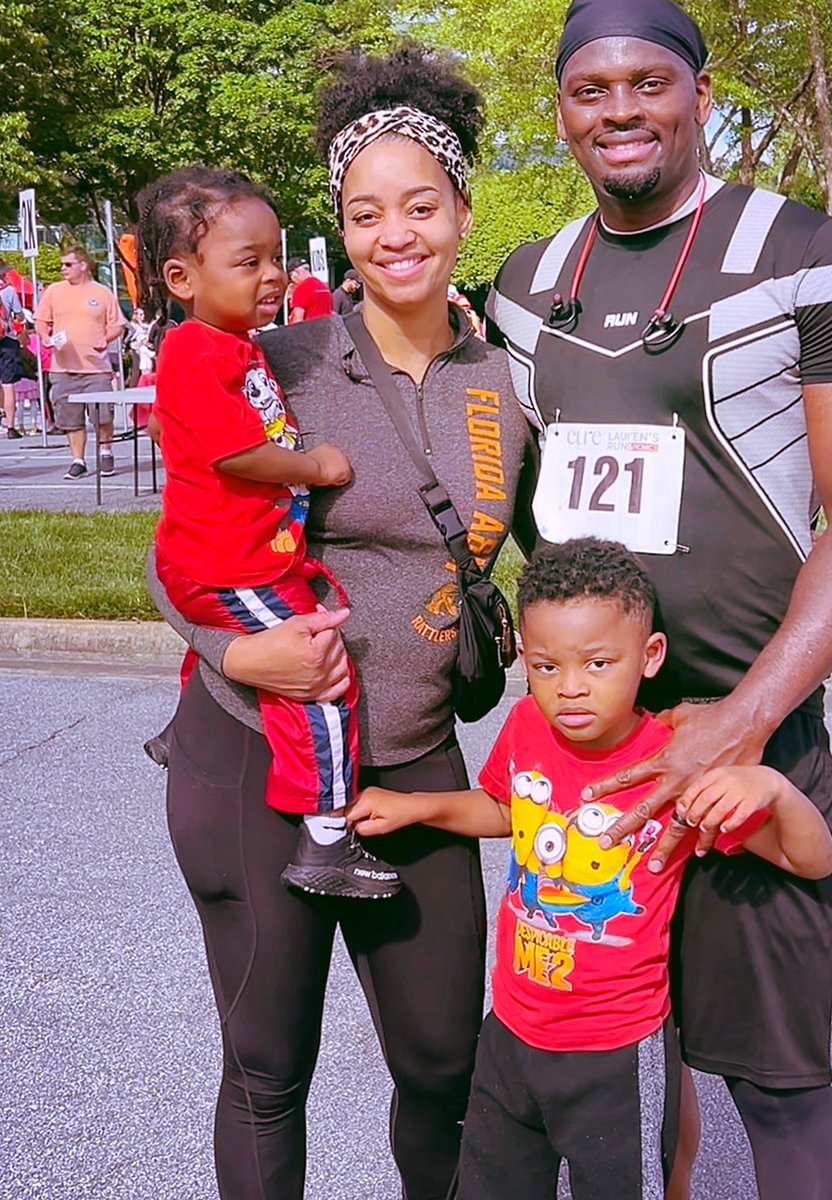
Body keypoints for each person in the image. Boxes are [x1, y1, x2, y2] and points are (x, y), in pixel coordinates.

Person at [487, 2, 832, 1198]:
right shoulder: (528, 280)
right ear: (562, 111)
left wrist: (747, 720)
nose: (621, 110)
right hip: (588, 750)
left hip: (737, 741)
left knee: (777, 1085)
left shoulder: (815, 255)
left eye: (649, 83)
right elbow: (496, 493)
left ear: (702, 92)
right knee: (618, 1071)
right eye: (591, 89)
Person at [145, 45, 533, 1200]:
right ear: (343, 232)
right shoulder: (276, 362)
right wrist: (232, 646)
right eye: (365, 213)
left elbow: (576, 566)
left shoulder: (506, 384)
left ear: (462, 210)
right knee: (270, 1071)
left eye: (421, 204)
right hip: (258, 753)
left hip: (416, 766)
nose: (395, 233)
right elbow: (173, 553)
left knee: (444, 1066)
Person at [349, 537, 832, 1200]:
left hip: (615, 1057)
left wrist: (775, 790)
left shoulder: (675, 763)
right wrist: (416, 806)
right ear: (524, 656)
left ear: (649, 656)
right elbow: (505, 807)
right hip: (511, 1035)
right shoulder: (525, 726)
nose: (570, 688)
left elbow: (809, 858)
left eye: (599, 663)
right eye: (546, 667)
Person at [137, 165, 401, 900]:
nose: (274, 276)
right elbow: (234, 452)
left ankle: (179, 733)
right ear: (181, 277)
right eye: (248, 262)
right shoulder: (197, 348)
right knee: (320, 675)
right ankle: (326, 835)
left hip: (229, 548)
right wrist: (313, 465)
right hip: (235, 563)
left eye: (277, 257)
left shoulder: (231, 344)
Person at [34, 246, 125, 479]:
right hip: (62, 367)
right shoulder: (54, 291)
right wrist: (45, 337)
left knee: (103, 416)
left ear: (83, 265)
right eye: (62, 264)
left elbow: (117, 324)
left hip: (96, 368)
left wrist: (106, 339)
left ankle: (105, 451)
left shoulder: (102, 292)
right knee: (70, 418)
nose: (63, 269)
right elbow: (42, 321)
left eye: (68, 264)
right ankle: (78, 460)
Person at [0, 260, 25, 438]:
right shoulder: (9, 291)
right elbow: (19, 315)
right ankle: (10, 426)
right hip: (7, 340)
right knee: (8, 385)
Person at [286, 257, 333, 322]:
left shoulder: (301, 289)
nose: (292, 279)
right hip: (326, 329)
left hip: (310, 330)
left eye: (290, 275)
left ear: (296, 272)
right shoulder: (323, 287)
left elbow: (297, 321)